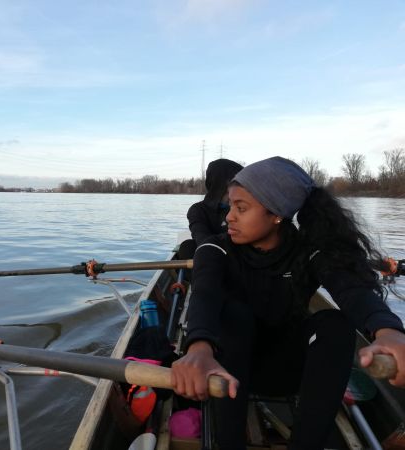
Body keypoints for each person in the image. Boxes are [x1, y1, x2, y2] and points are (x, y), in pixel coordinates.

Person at [171, 156, 405, 450]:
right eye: (230, 206)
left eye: (241, 208)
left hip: (293, 371)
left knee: (335, 323)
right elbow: (205, 294)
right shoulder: (214, 248)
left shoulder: (311, 252)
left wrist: (388, 331)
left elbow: (352, 290)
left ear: (277, 214)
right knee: (236, 315)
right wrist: (199, 347)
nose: (229, 216)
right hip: (225, 372)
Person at [187, 159, 243, 246]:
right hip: (212, 253)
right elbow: (202, 239)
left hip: (243, 254)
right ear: (221, 182)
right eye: (236, 180)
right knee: (187, 247)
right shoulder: (198, 210)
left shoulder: (244, 207)